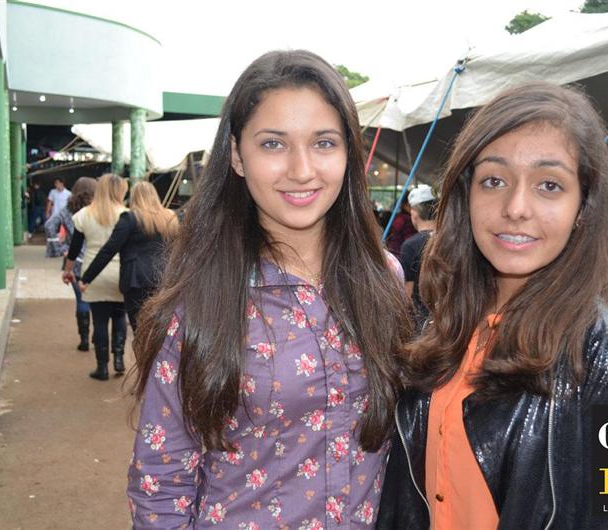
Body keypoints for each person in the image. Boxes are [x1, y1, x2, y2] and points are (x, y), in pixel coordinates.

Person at [126, 50, 411, 528]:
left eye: (324, 142)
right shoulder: (203, 300)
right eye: (274, 144)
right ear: (238, 156)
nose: (301, 169)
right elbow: (162, 482)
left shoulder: (385, 278)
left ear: (349, 153)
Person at [376, 83, 608, 530]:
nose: (515, 207)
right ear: (466, 194)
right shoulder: (440, 322)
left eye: (549, 185)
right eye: (494, 180)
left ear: (583, 206)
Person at [79, 181, 178, 331]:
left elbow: (108, 250)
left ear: (134, 197)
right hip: (164, 279)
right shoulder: (170, 217)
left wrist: (87, 278)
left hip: (135, 281)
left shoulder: (130, 219)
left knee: (139, 330)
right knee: (159, 331)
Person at [62, 174, 128, 380]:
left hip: (93, 273)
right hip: (121, 273)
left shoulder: (84, 214)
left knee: (99, 322)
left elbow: (74, 248)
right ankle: (119, 359)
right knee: (120, 317)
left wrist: (68, 270)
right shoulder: (127, 214)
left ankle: (102, 368)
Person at [46, 177, 96, 351]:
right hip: (98, 261)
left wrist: (61, 249)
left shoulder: (68, 210)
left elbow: (49, 225)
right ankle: (98, 336)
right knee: (98, 301)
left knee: (81, 300)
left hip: (75, 262)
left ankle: (84, 340)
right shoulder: (98, 210)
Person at [399, 184, 437, 334]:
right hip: (448, 318)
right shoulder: (449, 240)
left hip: (421, 323)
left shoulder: (410, 245)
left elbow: (406, 293)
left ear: (414, 213)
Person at [385, 192, 417, 256]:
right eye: (411, 205)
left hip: (395, 252)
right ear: (405, 205)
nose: (414, 207)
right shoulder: (406, 220)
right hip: (401, 254)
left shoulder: (399, 218)